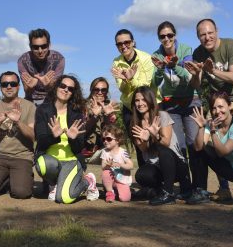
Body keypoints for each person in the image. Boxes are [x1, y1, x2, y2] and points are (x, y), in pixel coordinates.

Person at [186, 18, 233, 201]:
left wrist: (213, 71)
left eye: (210, 32)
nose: (207, 37)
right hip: (217, 104)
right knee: (212, 142)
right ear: (198, 37)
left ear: (216, 31)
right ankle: (224, 188)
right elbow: (196, 85)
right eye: (202, 34)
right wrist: (197, 74)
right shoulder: (198, 52)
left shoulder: (231, 45)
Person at [151, 21, 201, 192]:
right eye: (162, 36)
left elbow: (188, 76)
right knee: (178, 146)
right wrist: (160, 69)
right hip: (170, 102)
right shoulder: (157, 54)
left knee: (195, 144)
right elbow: (155, 82)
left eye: (169, 35)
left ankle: (199, 186)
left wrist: (174, 66)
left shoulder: (186, 50)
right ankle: (186, 187)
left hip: (190, 99)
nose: (166, 39)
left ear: (175, 35)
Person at [34, 74, 99, 203]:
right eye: (62, 86)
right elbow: (40, 140)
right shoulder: (43, 110)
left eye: (70, 89)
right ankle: (55, 184)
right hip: (51, 161)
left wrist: (73, 138)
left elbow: (79, 148)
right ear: (56, 87)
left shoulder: (77, 114)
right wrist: (54, 136)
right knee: (42, 164)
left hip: (71, 161)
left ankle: (87, 181)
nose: (66, 90)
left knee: (64, 198)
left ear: (73, 93)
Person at [0, 71, 36, 199]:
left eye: (13, 83)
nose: (9, 87)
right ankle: (2, 177)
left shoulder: (30, 106)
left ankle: (13, 178)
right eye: (5, 84)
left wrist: (18, 121)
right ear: (0, 87)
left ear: (18, 86)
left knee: (21, 193)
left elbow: (33, 136)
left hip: (23, 156)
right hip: (0, 155)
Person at [130, 86, 192, 205]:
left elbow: (166, 143)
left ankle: (168, 194)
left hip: (175, 164)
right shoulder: (135, 123)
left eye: (143, 99)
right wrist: (143, 141)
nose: (140, 103)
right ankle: (158, 191)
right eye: (137, 100)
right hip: (157, 166)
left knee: (162, 150)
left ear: (150, 100)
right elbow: (143, 149)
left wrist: (154, 135)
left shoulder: (162, 116)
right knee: (141, 175)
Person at [188, 92, 233, 204]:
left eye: (221, 107)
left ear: (230, 106)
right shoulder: (212, 124)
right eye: (214, 108)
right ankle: (201, 191)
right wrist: (201, 127)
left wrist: (213, 131)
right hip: (231, 167)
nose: (217, 111)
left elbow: (223, 152)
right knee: (195, 147)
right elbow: (198, 147)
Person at [111, 29, 156, 166]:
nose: (123, 46)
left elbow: (146, 87)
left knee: (153, 140)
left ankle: (158, 174)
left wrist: (131, 79)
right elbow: (123, 90)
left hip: (147, 106)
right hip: (129, 107)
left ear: (133, 42)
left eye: (127, 42)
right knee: (138, 143)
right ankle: (145, 179)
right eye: (119, 44)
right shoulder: (116, 62)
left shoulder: (146, 58)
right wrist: (126, 82)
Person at [18, 28, 65, 105]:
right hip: (31, 101)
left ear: (49, 45)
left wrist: (48, 85)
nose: (40, 51)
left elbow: (55, 90)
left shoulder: (59, 59)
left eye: (44, 46)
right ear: (30, 46)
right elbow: (27, 91)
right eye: (36, 47)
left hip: (51, 100)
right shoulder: (22, 61)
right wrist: (30, 87)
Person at [83, 77, 119, 164]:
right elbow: (82, 133)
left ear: (107, 92)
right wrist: (95, 116)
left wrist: (107, 115)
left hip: (102, 150)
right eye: (96, 90)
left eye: (103, 90)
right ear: (91, 90)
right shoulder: (82, 106)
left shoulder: (109, 107)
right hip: (84, 150)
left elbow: (112, 136)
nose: (100, 93)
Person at [101, 124, 133, 203]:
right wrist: (108, 165)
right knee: (105, 173)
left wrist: (121, 165)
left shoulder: (123, 152)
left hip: (122, 179)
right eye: (103, 139)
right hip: (111, 179)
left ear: (118, 140)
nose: (105, 141)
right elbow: (103, 166)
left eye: (108, 139)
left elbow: (131, 165)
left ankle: (116, 190)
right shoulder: (105, 151)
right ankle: (109, 192)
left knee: (125, 199)